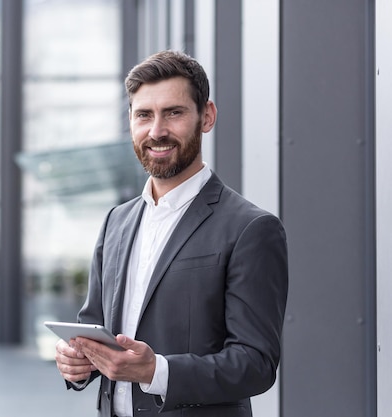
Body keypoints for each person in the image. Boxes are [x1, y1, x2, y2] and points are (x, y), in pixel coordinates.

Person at [53, 50, 289, 417]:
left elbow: (256, 363)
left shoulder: (251, 229)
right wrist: (77, 362)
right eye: (144, 115)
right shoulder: (116, 221)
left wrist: (155, 371)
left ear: (206, 116)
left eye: (174, 113)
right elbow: (92, 328)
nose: (157, 131)